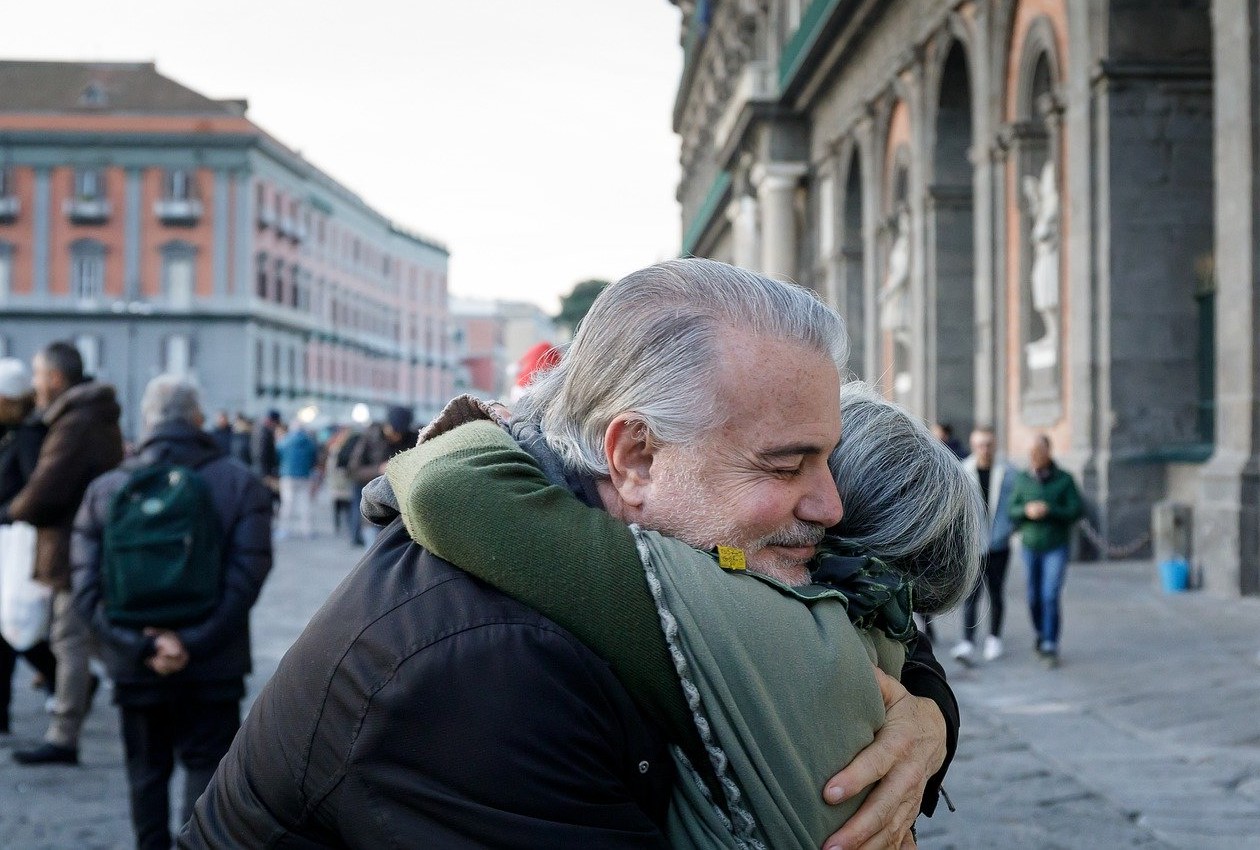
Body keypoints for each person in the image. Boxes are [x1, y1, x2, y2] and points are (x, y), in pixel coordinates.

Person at [182, 259, 957, 850]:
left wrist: (926, 720)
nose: (831, 506)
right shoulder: (485, 669)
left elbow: (855, 600)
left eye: (828, 458)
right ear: (637, 458)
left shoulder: (686, 547)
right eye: (786, 467)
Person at [382, 379, 982, 848]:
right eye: (788, 464)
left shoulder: (738, 607)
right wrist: (932, 718)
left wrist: (493, 428)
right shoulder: (839, 626)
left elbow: (451, 486)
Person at [72, 375, 273, 850]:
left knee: (145, 772)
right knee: (207, 771)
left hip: (135, 663)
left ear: (147, 422)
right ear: (199, 419)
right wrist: (192, 642)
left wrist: (143, 645)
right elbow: (248, 576)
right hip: (213, 662)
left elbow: (85, 590)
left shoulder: (106, 488)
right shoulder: (239, 483)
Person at [5, 341, 124, 765]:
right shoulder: (85, 416)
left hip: (73, 546)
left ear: (55, 378)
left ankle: (63, 734)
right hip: (78, 543)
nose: (35, 385)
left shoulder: (76, 423)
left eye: (38, 375)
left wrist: (13, 510)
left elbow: (46, 486)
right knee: (87, 637)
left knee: (68, 637)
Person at [0, 358, 57, 733]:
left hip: (16, 541)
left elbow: (32, 491)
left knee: (15, 623)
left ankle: (64, 676)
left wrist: (8, 512)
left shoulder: (29, 435)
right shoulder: (11, 432)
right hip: (7, 538)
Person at [1009, 433, 1083, 667]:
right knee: (1033, 597)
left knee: (1050, 594)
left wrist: (1049, 509)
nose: (1034, 457)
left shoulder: (1064, 479)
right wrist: (1026, 511)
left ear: (1048, 452)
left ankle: (1051, 642)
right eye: (1031, 453)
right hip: (1030, 544)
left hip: (1055, 545)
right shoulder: (1022, 479)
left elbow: (1076, 510)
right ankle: (1041, 632)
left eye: (1038, 453)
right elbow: (1012, 509)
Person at [952, 426, 1016, 665]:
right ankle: (967, 641)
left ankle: (994, 638)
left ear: (995, 444)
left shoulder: (1009, 471)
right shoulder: (963, 471)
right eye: (980, 444)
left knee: (996, 592)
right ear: (973, 445)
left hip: (999, 544)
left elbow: (1016, 504)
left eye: (988, 444)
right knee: (971, 594)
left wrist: (1009, 528)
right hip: (974, 544)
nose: (984, 449)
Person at [346, 405, 417, 546]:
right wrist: (379, 470)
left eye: (400, 432)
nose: (397, 436)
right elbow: (354, 469)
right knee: (373, 543)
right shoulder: (370, 437)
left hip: (396, 501)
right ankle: (355, 537)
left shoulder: (411, 438)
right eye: (394, 431)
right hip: (370, 495)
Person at [275, 420, 318, 539]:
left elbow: (277, 456)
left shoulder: (285, 441)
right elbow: (314, 459)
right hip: (304, 475)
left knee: (287, 504)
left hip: (288, 475)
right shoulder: (309, 442)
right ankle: (307, 530)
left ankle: (284, 530)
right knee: (305, 504)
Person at [323, 426, 356, 535]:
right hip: (342, 481)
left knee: (340, 506)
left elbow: (330, 467)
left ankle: (342, 527)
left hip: (338, 481)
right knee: (346, 507)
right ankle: (348, 528)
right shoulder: (345, 447)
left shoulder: (335, 447)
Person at [249, 409, 281, 492]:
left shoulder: (259, 429)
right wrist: (266, 473)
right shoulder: (264, 432)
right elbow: (261, 453)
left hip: (260, 469)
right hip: (263, 471)